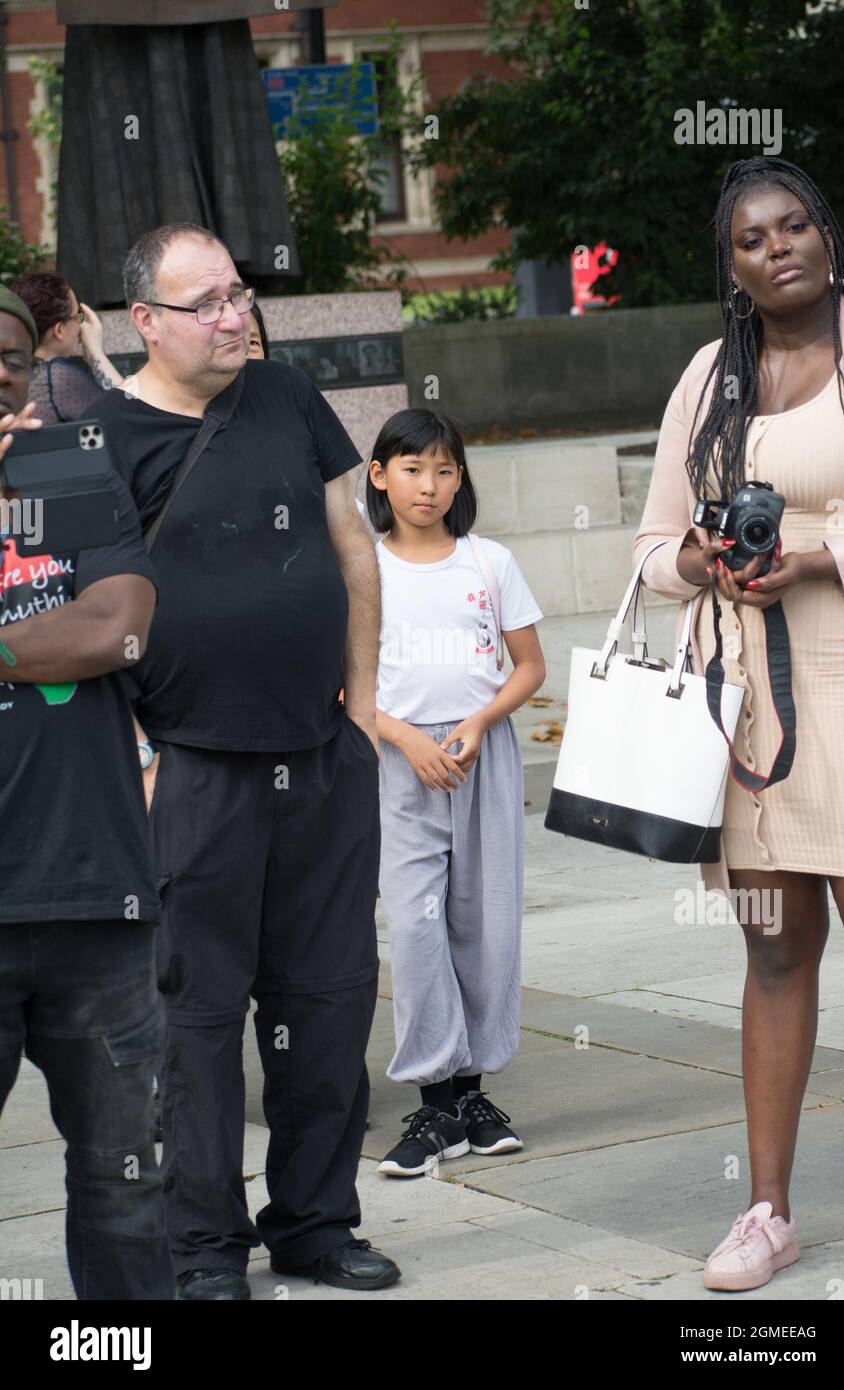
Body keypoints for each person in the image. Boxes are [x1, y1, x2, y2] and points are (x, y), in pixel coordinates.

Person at [81, 221, 399, 1299]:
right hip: (190, 769)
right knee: (197, 1020)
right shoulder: (106, 442)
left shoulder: (287, 395)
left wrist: (359, 705)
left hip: (321, 751)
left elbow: (354, 546)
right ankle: (203, 1247)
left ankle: (314, 1220)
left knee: (328, 1000)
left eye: (238, 295)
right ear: (146, 323)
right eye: (205, 303)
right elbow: (86, 621)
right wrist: (134, 756)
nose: (234, 317)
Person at [633, 156, 844, 1292]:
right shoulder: (706, 378)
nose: (775, 248)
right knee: (773, 948)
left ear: (825, 233)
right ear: (726, 266)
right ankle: (765, 1209)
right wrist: (703, 561)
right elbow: (648, 546)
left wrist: (821, 557)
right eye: (748, 238)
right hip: (746, 705)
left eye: (792, 225)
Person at [0, 285, 173, 1300]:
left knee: (121, 1184)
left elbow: (120, 628)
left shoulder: (70, 469)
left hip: (96, 893)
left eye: (12, 355)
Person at [367, 408, 546, 1177]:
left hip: (482, 757)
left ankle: (471, 1096)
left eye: (444, 470)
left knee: (486, 924)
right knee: (414, 928)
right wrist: (406, 738)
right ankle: (433, 1104)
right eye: (411, 469)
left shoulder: (488, 563)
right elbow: (342, 686)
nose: (428, 486)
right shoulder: (362, 570)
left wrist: (478, 723)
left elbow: (530, 668)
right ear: (379, 475)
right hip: (397, 763)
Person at [11, 272, 123, 423]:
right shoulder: (55, 378)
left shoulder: (14, 373)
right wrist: (96, 353)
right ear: (60, 330)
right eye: (78, 316)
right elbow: (134, 418)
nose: (81, 325)